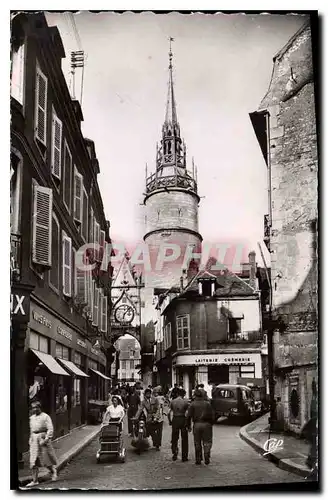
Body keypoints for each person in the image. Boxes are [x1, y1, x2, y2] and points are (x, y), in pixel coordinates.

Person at [27, 401, 58, 487]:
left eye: (37, 407)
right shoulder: (31, 418)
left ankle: (53, 471)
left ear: (40, 408)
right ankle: (35, 480)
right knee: (33, 460)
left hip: (42, 438)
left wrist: (47, 439)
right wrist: (30, 439)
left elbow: (50, 428)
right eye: (33, 408)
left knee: (45, 459)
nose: (35, 409)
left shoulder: (45, 417)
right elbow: (31, 429)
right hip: (34, 439)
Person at [186, 389, 215, 465]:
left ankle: (198, 459)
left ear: (195, 395)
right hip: (207, 424)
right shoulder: (207, 404)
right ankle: (206, 453)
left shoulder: (192, 404)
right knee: (207, 441)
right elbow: (212, 415)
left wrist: (188, 426)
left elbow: (188, 416)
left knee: (197, 442)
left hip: (197, 424)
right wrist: (211, 424)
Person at [168, 388, 190, 462]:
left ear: (177, 394)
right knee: (184, 438)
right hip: (182, 419)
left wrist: (170, 421)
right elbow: (188, 414)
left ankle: (174, 452)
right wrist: (188, 424)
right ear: (184, 394)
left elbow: (168, 412)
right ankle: (184, 456)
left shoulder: (173, 401)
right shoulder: (185, 402)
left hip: (175, 419)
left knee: (174, 437)